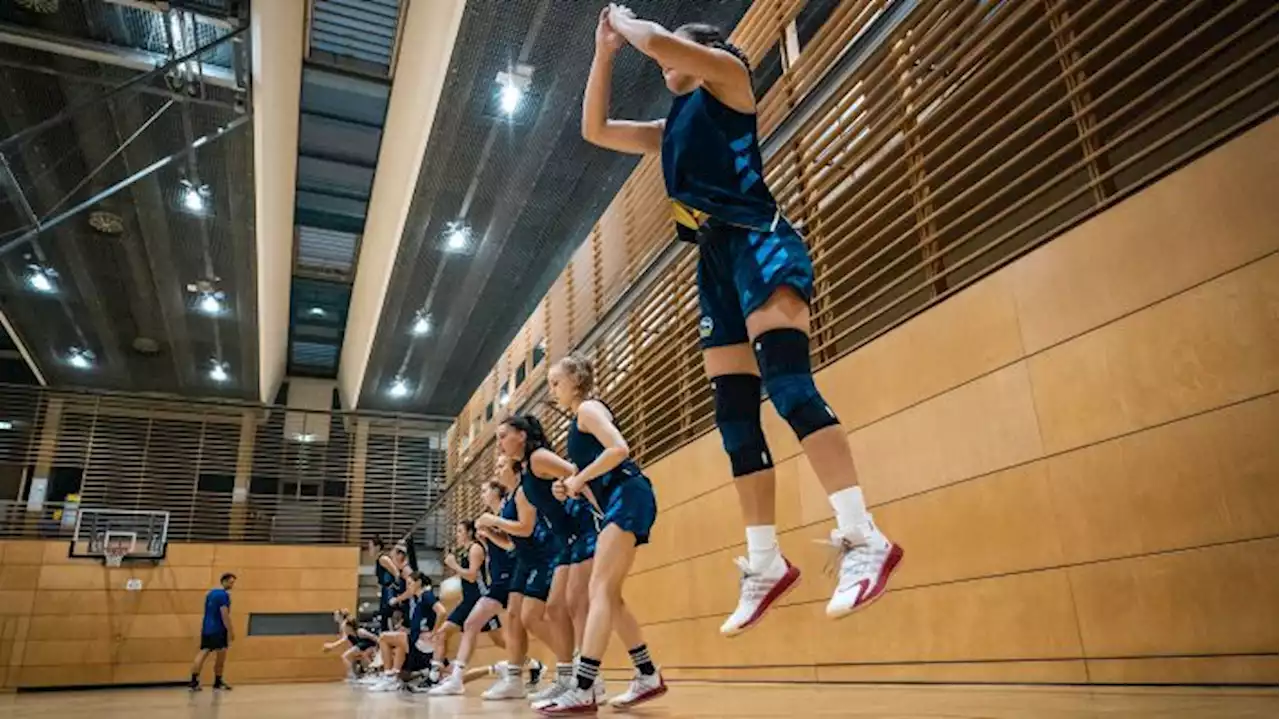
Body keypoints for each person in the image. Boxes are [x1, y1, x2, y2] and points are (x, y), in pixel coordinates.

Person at [581, 4, 903, 637]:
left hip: (760, 240)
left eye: (676, 50)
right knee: (733, 416)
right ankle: (764, 562)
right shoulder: (665, 128)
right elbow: (594, 130)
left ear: (697, 50)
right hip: (714, 259)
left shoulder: (727, 78)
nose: (666, 60)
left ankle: (864, 538)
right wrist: (603, 50)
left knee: (788, 388)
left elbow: (661, 44)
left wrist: (627, 20)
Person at [537, 355, 666, 715]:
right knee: (611, 595)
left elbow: (619, 449)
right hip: (619, 499)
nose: (552, 390)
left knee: (599, 591)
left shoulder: (588, 409)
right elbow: (595, 471)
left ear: (576, 381)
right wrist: (573, 485)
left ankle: (583, 687)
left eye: (555, 382)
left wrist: (578, 478)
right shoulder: (579, 421)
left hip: (630, 494)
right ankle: (647, 673)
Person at [431, 463, 552, 700]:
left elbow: (515, 541)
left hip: (512, 577)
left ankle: (562, 665)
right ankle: (524, 669)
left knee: (512, 623)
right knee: (486, 626)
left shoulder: (510, 507)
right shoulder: (499, 515)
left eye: (486, 490)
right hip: (503, 579)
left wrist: (490, 530)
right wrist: (489, 535)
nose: (482, 494)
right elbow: (505, 543)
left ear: (497, 492)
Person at [432, 520, 506, 671]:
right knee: (442, 633)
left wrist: (454, 566)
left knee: (501, 641)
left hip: (481, 601)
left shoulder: (475, 549)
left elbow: (472, 576)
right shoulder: (464, 551)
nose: (457, 535)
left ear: (469, 533)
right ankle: (437, 674)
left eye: (460, 531)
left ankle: (531, 663)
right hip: (467, 601)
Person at [189, 572, 236, 691]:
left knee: (203, 652)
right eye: (231, 582)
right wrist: (230, 631)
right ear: (224, 581)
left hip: (207, 628)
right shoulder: (223, 596)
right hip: (218, 630)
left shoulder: (210, 594)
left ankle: (194, 681)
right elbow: (224, 614)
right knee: (221, 656)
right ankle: (218, 681)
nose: (232, 585)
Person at [323, 609, 379, 681]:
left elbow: (375, 638)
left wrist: (378, 649)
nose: (334, 617)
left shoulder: (360, 631)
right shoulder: (348, 631)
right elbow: (346, 639)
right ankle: (365, 674)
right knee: (359, 656)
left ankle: (358, 675)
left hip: (371, 645)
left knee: (357, 655)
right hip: (362, 645)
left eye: (336, 615)